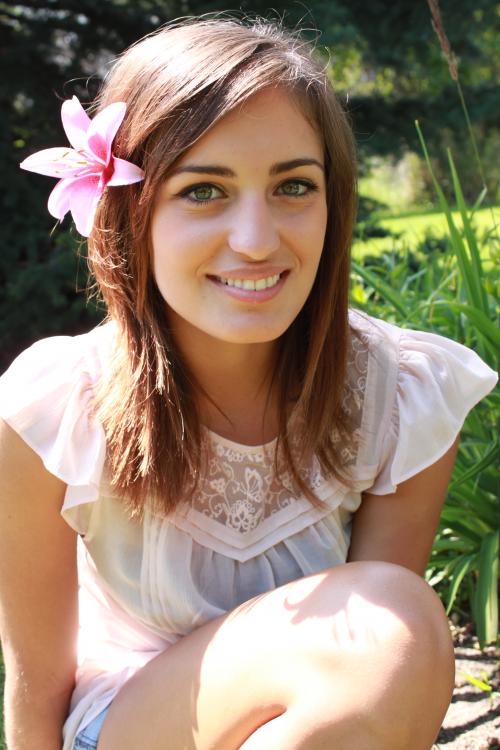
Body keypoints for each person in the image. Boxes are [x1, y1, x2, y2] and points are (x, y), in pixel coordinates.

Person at [0, 15, 497, 750]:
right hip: (130, 724)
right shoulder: (57, 409)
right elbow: (36, 687)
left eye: (294, 185)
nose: (257, 240)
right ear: (129, 211)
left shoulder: (399, 394)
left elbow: (385, 693)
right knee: (390, 622)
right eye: (204, 191)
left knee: (392, 628)